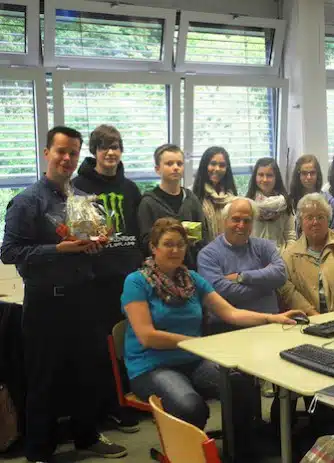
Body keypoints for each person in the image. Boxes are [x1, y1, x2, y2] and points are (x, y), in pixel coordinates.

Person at [122, 218, 302, 459]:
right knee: (190, 407)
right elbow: (146, 336)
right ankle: (189, 454)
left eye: (180, 245)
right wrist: (193, 343)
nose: (175, 250)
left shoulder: (192, 280)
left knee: (242, 384)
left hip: (193, 359)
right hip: (151, 366)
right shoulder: (136, 282)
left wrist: (272, 318)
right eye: (167, 244)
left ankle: (239, 450)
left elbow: (231, 313)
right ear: (154, 248)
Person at [1, 126, 127, 462]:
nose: (67, 159)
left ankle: (86, 437)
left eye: (73, 152)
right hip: (46, 303)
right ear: (47, 153)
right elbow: (10, 252)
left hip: (84, 298)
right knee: (44, 379)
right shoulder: (28, 201)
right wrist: (59, 249)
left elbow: (84, 246)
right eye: (61, 151)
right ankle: (39, 450)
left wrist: (94, 245)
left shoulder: (79, 199)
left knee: (87, 372)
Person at [72, 124, 143, 433]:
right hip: (97, 280)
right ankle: (110, 407)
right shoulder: (78, 186)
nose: (111, 152)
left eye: (116, 146)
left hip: (130, 278)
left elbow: (140, 234)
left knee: (130, 342)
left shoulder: (131, 189)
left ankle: (130, 400)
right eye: (104, 147)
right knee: (104, 349)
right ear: (94, 151)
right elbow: (77, 233)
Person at [197, 198, 288, 334]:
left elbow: (281, 274)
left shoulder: (264, 246)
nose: (241, 225)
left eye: (247, 221)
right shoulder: (208, 255)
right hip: (226, 328)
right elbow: (221, 292)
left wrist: (242, 277)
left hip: (270, 325)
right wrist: (268, 287)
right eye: (236, 219)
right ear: (224, 221)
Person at [278, 193, 334, 315]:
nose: (315, 222)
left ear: (329, 219)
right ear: (300, 222)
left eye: (321, 217)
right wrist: (313, 315)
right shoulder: (289, 255)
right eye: (309, 217)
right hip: (309, 321)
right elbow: (289, 293)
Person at [138, 144, 208, 270]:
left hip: (190, 269)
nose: (175, 168)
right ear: (157, 169)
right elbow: (145, 242)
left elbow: (204, 234)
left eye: (179, 164)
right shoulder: (148, 202)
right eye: (169, 164)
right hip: (160, 273)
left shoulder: (191, 199)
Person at [246, 157, 296, 251]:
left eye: (269, 175)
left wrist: (286, 257)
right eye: (261, 175)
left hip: (280, 257)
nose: (265, 179)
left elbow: (290, 236)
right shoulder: (248, 204)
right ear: (255, 177)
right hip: (254, 258)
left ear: (276, 178)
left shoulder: (285, 204)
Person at [192, 146, 238, 242]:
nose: (217, 169)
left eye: (222, 165)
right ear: (205, 166)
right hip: (203, 252)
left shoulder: (233, 198)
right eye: (213, 164)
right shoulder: (193, 195)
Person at [289, 154, 334, 236]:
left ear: (317, 174)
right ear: (298, 175)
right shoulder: (290, 201)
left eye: (312, 173)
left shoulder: (329, 202)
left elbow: (333, 234)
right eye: (304, 173)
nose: (308, 177)